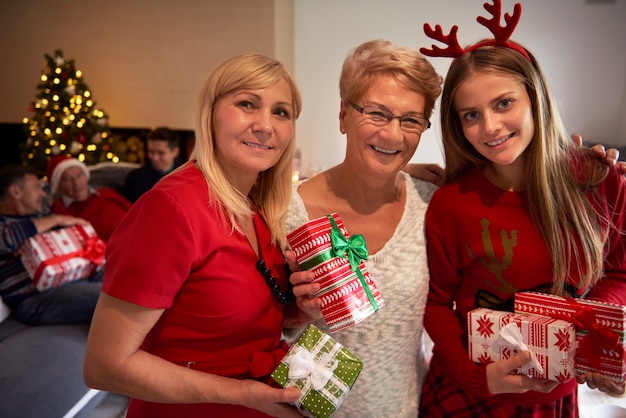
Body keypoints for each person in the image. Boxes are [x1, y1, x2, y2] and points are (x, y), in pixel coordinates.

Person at [418, 1, 626, 416]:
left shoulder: (599, 179)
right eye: (470, 115)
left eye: (503, 103)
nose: (490, 127)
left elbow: (619, 271)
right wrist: (474, 373)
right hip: (468, 394)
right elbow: (436, 304)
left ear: (535, 98)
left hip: (554, 396)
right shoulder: (451, 203)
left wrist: (592, 325)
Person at [83, 53, 307, 418]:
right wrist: (240, 393)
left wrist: (302, 312)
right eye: (247, 104)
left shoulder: (258, 206)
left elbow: (229, 317)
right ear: (211, 114)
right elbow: (104, 365)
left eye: (281, 112)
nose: (266, 125)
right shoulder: (170, 209)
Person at [286, 39, 443, 417]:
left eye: (410, 120)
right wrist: (298, 312)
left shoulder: (432, 205)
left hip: (403, 407)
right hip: (306, 411)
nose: (392, 134)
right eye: (376, 113)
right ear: (343, 115)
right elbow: (261, 324)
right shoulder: (290, 213)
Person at [0, 164, 103, 325]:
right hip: (36, 299)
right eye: (36, 188)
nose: (42, 193)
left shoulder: (42, 215)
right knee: (109, 297)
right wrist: (57, 219)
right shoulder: (5, 225)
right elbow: (10, 237)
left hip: (75, 278)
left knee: (126, 280)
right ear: (16, 192)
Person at [47, 155, 132, 242]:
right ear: (59, 186)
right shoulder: (59, 211)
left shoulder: (107, 193)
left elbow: (135, 213)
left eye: (79, 175)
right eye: (68, 179)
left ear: (86, 176)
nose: (76, 182)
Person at [122, 127, 182, 202]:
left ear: (175, 152)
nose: (155, 158)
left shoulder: (184, 177)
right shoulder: (135, 178)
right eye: (151, 152)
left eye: (161, 153)